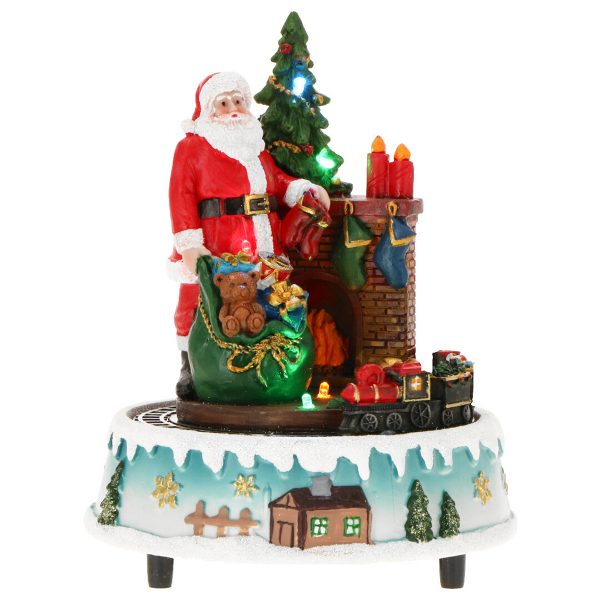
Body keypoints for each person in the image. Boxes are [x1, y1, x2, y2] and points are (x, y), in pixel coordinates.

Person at [168, 72, 330, 398]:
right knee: (198, 299)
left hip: (264, 240)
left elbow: (277, 181)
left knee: (265, 299)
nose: (233, 109)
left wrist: (303, 189)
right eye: (224, 103)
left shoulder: (255, 148)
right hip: (218, 241)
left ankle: (264, 371)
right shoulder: (192, 148)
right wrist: (189, 244)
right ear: (209, 110)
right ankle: (191, 367)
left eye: (238, 101)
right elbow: (180, 195)